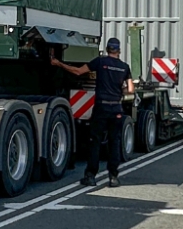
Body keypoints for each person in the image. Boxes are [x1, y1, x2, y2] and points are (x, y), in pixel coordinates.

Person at [51, 38, 135, 188]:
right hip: (116, 108)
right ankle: (113, 177)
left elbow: (78, 71)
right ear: (119, 50)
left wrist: (59, 64)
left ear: (107, 49)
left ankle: (90, 176)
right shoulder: (124, 67)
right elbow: (130, 89)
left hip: (101, 107)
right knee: (114, 142)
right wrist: (118, 91)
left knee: (95, 141)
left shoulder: (100, 62)